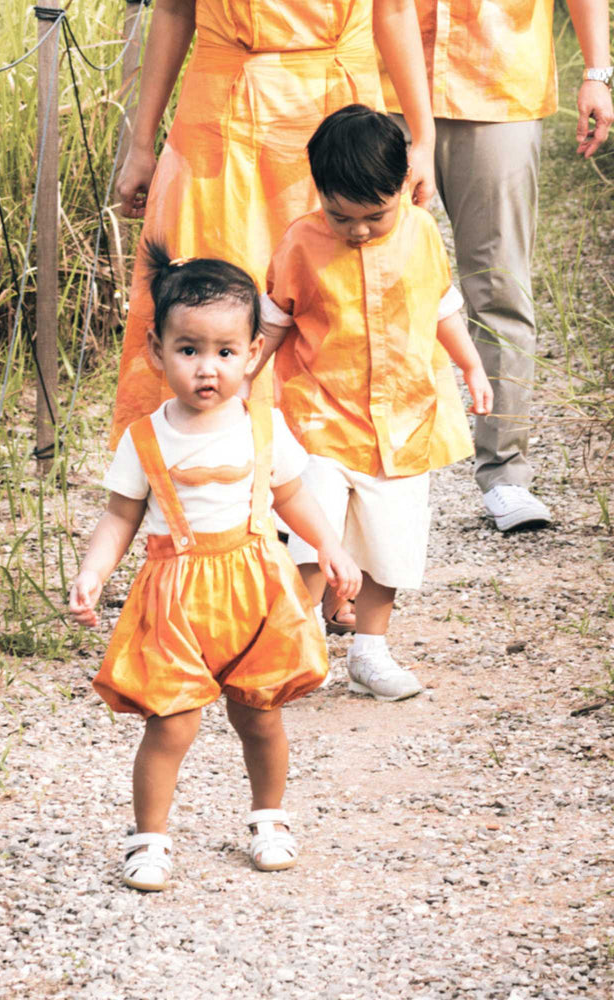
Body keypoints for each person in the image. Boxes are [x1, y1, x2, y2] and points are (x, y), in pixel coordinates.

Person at [69, 244, 362, 891]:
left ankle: (269, 817)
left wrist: (331, 547)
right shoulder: (146, 436)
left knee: (259, 714)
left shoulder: (263, 426)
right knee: (170, 722)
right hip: (173, 595)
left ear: (253, 354)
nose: (208, 368)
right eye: (189, 349)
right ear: (156, 349)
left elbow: (291, 496)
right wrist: (94, 571)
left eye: (226, 352)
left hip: (255, 585)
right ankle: (149, 838)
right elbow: (119, 517)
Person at [109, 0, 438, 447]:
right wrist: (141, 144)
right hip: (218, 123)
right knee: (207, 302)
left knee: (336, 302)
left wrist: (423, 138)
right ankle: (195, 468)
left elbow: (396, 12)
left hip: (339, 127)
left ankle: (320, 482)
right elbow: (171, 10)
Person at [251, 106, 494, 701]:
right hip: (320, 416)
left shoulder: (421, 233)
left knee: (391, 544)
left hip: (407, 420)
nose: (357, 230)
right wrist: (241, 385)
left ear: (403, 186)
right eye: (341, 216)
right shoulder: (301, 243)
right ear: (320, 195)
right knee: (313, 536)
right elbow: (274, 320)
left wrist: (470, 364)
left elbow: (440, 306)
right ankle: (302, 646)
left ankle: (370, 652)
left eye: (374, 216)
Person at [379, 0, 613, 531]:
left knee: (499, 287)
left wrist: (598, 73)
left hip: (499, 82)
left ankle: (506, 475)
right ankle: (370, 469)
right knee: (372, 283)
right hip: (380, 80)